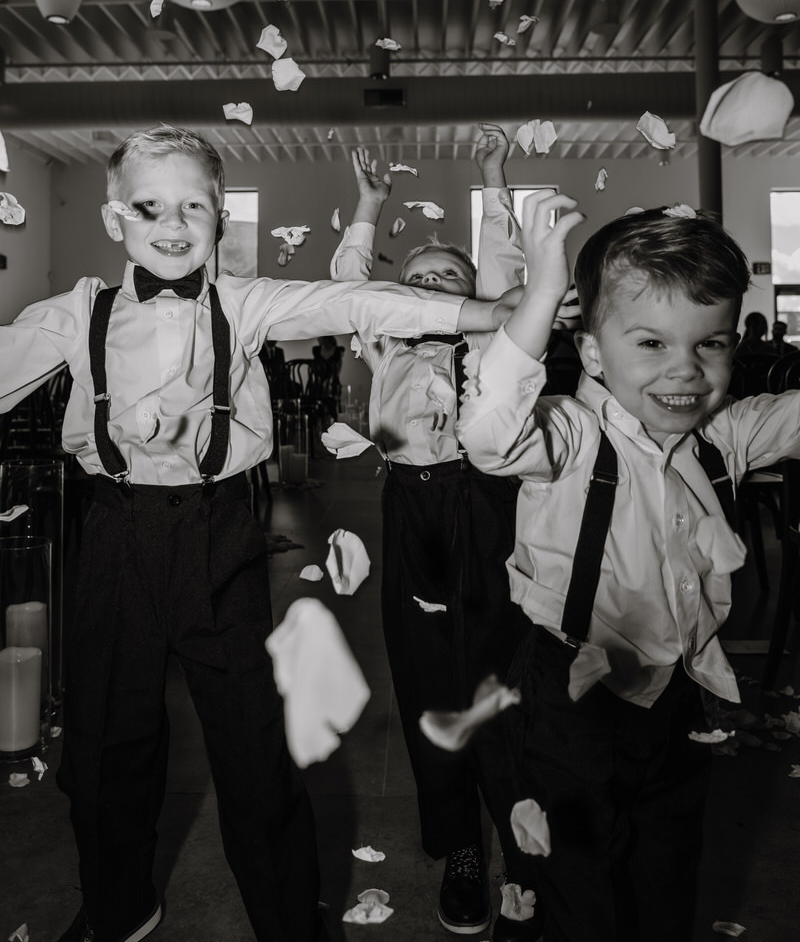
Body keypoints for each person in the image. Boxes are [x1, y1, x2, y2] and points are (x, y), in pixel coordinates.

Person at [0, 125, 516, 942]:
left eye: (193, 205)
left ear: (219, 220)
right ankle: (118, 905)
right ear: (112, 219)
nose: (172, 223)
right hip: (113, 538)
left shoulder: (246, 303)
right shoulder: (75, 315)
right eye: (148, 206)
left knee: (251, 751)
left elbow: (355, 299)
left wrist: (483, 310)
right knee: (103, 751)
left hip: (218, 540)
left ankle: (288, 921)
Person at [456, 193, 800, 942]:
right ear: (590, 351)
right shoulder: (570, 436)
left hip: (678, 701)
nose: (686, 369)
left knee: (667, 872)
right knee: (577, 892)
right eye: (650, 344)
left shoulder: (725, 437)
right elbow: (487, 436)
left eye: (709, 344)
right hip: (572, 705)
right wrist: (543, 295)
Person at [330, 128, 539, 941]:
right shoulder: (383, 345)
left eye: (444, 280)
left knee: (494, 670)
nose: (427, 290)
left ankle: (519, 833)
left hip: (484, 503)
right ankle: (459, 844)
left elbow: (506, 278)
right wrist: (371, 206)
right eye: (414, 281)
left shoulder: (487, 346)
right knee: (425, 678)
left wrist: (495, 177)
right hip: (409, 511)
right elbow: (348, 286)